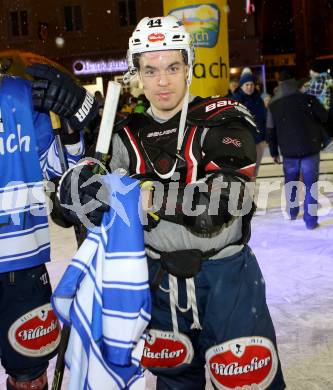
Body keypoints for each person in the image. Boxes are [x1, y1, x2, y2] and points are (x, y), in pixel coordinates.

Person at [29, 16, 285, 389]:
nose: (162, 81)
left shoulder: (225, 118)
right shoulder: (123, 134)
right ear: (138, 74)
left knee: (248, 383)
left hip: (227, 281)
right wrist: (77, 179)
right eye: (150, 70)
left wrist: (134, 194)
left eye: (172, 67)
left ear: (189, 68)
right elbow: (68, 209)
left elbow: (218, 205)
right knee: (174, 383)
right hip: (159, 286)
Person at [0, 68, 96, 389]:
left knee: (29, 379)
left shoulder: (16, 94)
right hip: (22, 266)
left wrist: (71, 124)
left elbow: (62, 171)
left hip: (20, 265)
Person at [267, 69, 329, 229]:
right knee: (311, 185)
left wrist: (274, 151)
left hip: (288, 151)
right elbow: (324, 116)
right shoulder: (308, 99)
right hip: (310, 147)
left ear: (279, 84)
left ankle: (292, 211)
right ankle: (310, 221)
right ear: (294, 82)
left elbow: (270, 130)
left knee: (291, 183)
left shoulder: (273, 105)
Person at [232, 67, 267, 177]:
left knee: (254, 172)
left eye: (251, 84)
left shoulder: (258, 99)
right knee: (243, 171)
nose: (249, 87)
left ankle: (251, 193)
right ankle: (243, 193)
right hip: (242, 142)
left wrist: (265, 138)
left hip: (258, 141)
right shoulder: (235, 100)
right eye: (247, 84)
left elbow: (264, 118)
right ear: (241, 85)